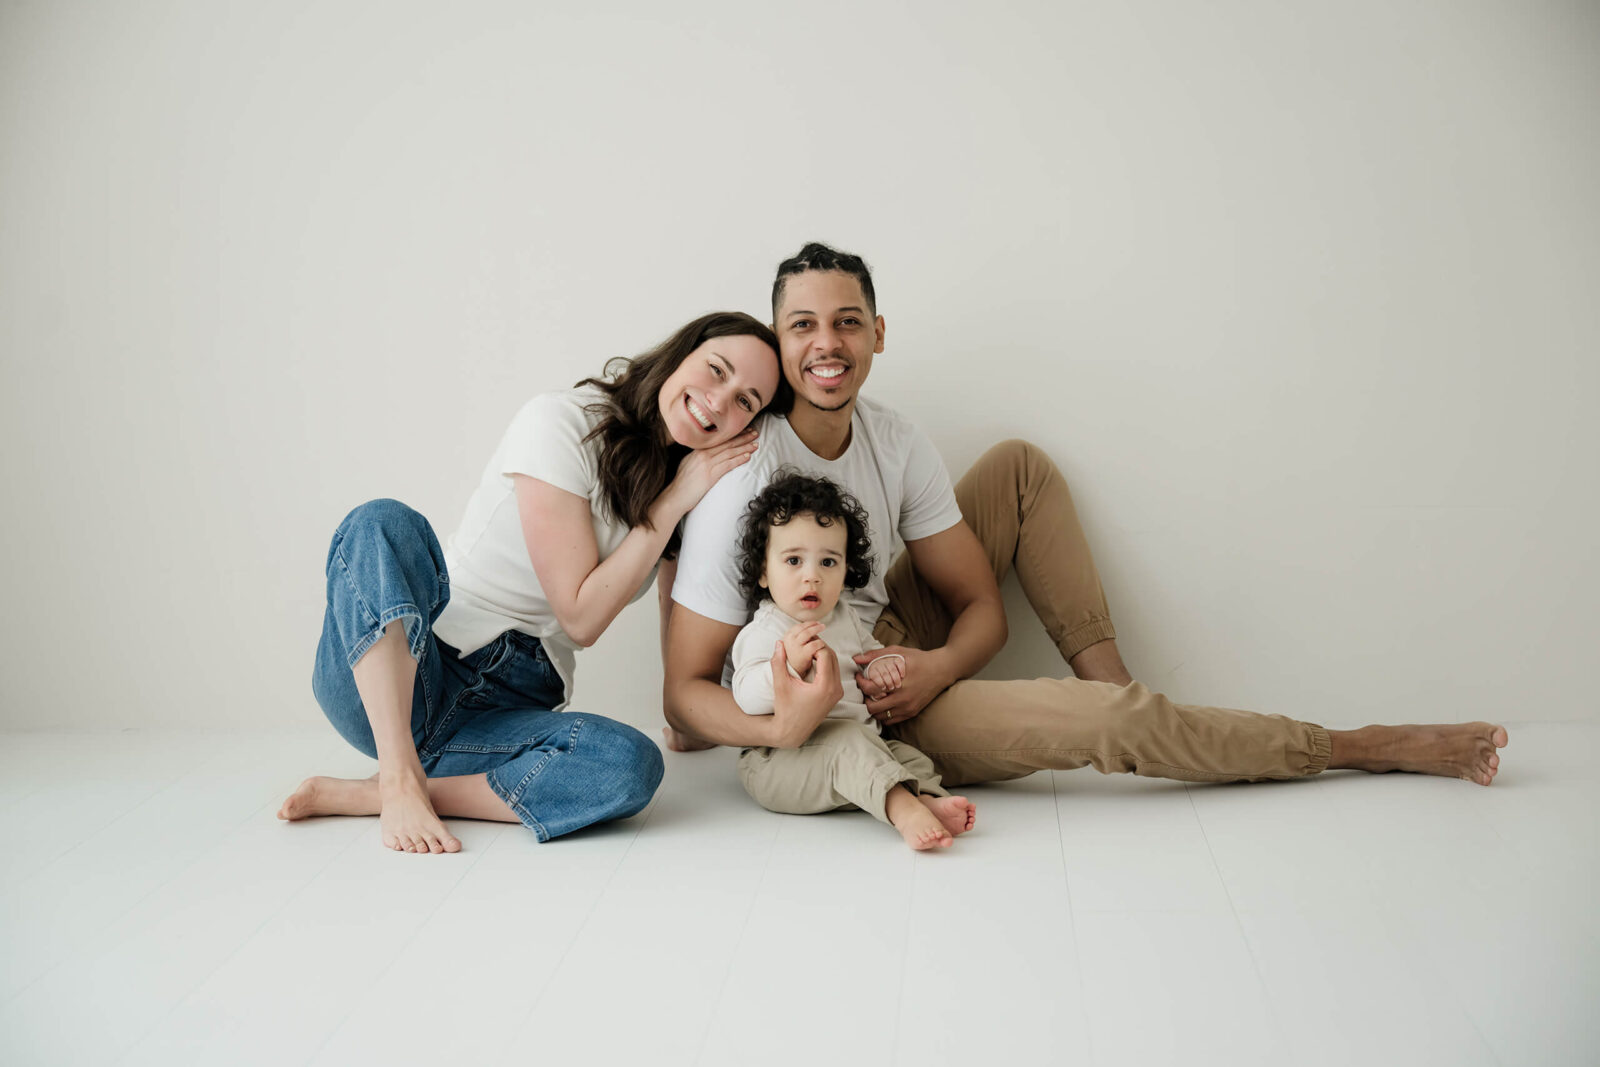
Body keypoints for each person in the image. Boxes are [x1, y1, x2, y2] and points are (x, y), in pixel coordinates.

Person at [661, 242, 1509, 793]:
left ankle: (1122, 688)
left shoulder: (894, 438)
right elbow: (684, 688)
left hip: (888, 641)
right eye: (802, 325)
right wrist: (791, 721)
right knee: (1112, 727)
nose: (827, 344)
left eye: (847, 321)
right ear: (777, 344)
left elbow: (979, 608)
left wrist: (937, 663)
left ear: (878, 334)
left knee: (1017, 467)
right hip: (840, 698)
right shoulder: (747, 475)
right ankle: (1357, 744)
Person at [279, 311, 789, 853]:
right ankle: (399, 775)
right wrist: (675, 501)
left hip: (507, 710)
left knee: (630, 765)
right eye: (716, 370)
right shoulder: (561, 423)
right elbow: (580, 616)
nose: (720, 400)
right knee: (382, 522)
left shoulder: (685, 492)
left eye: (745, 401)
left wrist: (684, 719)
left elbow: (674, 610)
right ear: (679, 354)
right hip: (406, 666)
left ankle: (384, 793)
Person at [728, 471, 977, 850]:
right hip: (780, 763)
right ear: (764, 571)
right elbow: (745, 696)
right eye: (793, 560)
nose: (811, 577)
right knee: (849, 745)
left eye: (828, 563)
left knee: (910, 758)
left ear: (846, 571)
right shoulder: (767, 630)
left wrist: (881, 668)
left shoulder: (844, 617)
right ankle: (902, 810)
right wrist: (788, 666)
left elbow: (868, 657)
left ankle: (924, 797)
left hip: (855, 747)